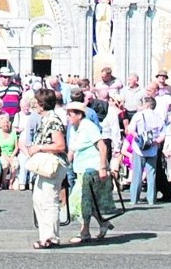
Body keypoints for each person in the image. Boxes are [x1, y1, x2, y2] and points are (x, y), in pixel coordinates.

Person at [65, 101, 113, 244]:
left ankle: (84, 232)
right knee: (88, 202)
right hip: (81, 170)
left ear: (79, 115)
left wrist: (103, 167)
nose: (68, 117)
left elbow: (102, 147)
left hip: (92, 169)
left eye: (70, 114)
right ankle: (102, 223)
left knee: (80, 200)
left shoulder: (88, 126)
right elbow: (72, 150)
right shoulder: (74, 128)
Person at [28, 87, 67, 249]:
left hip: (54, 164)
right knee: (38, 199)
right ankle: (44, 235)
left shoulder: (53, 121)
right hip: (45, 165)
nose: (34, 105)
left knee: (49, 200)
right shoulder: (45, 120)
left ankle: (51, 238)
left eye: (36, 102)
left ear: (42, 104)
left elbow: (60, 145)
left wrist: (39, 147)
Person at [129, 95, 165, 205]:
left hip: (139, 148)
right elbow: (163, 134)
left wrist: (138, 137)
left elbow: (131, 129)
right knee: (151, 174)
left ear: (147, 104)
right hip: (153, 148)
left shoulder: (138, 115)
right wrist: (156, 141)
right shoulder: (158, 117)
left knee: (137, 174)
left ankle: (134, 199)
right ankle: (151, 199)